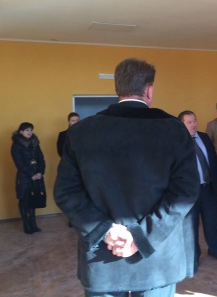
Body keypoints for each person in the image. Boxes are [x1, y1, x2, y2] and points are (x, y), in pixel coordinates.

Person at [54, 57, 200, 297]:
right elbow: (185, 193)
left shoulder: (80, 132)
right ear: (149, 90)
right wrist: (141, 238)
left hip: (103, 255)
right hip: (157, 258)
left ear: (117, 88)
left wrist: (105, 230)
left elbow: (66, 192)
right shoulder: (174, 130)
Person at [179, 110, 217, 264]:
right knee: (192, 225)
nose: (193, 124)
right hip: (190, 192)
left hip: (208, 188)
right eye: (189, 122)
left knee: (212, 222)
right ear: (181, 125)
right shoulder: (177, 142)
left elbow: (213, 160)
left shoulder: (204, 137)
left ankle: (215, 249)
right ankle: (194, 256)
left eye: (194, 121)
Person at [11, 122, 46, 234]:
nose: (29, 132)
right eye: (27, 130)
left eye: (31, 130)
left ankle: (33, 224)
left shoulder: (35, 143)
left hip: (37, 175)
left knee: (33, 199)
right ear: (21, 131)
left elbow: (41, 158)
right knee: (23, 200)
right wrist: (31, 174)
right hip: (24, 177)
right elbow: (19, 163)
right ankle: (26, 224)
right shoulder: (16, 145)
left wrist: (40, 172)